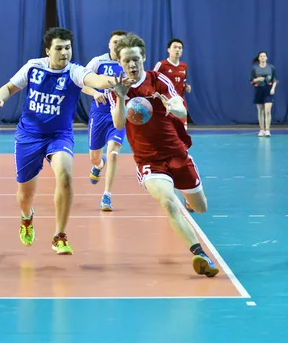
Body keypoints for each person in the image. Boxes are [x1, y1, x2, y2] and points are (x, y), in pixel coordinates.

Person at [0, 27, 131, 255]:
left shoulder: (74, 72)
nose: (64, 52)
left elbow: (95, 79)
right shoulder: (34, 66)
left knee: (65, 175)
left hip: (59, 135)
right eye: (59, 48)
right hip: (29, 136)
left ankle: (59, 235)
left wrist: (115, 81)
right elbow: (9, 87)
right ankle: (27, 217)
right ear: (48, 50)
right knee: (25, 196)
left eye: (68, 48)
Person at [108, 34, 219, 277]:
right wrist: (121, 95)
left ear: (143, 58)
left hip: (176, 152)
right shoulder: (116, 87)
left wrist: (172, 106)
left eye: (135, 59)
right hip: (149, 160)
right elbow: (118, 124)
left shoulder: (157, 79)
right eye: (126, 60)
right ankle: (200, 255)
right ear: (119, 62)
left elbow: (179, 105)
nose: (132, 65)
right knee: (169, 203)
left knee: (200, 208)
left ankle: (188, 201)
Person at [80, 30, 128, 211]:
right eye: (115, 42)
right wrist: (94, 92)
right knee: (94, 158)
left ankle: (106, 196)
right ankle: (99, 165)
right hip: (99, 115)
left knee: (114, 154)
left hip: (118, 114)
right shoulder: (98, 62)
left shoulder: (128, 64)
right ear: (109, 44)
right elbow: (80, 82)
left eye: (121, 42)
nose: (117, 45)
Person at [153, 39, 191, 129]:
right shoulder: (161, 65)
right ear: (168, 49)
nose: (177, 50)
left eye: (180, 48)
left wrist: (186, 87)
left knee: (182, 130)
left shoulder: (184, 66)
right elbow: (151, 81)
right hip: (165, 103)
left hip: (179, 102)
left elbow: (182, 82)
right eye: (174, 47)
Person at [249, 51, 278, 137]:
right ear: (258, 58)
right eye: (261, 56)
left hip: (268, 90)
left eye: (264, 56)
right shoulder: (255, 68)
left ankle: (267, 130)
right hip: (258, 90)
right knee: (260, 111)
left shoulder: (271, 67)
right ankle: (261, 129)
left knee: (267, 110)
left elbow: (275, 80)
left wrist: (273, 88)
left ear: (266, 58)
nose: (262, 57)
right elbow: (251, 80)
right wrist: (257, 80)